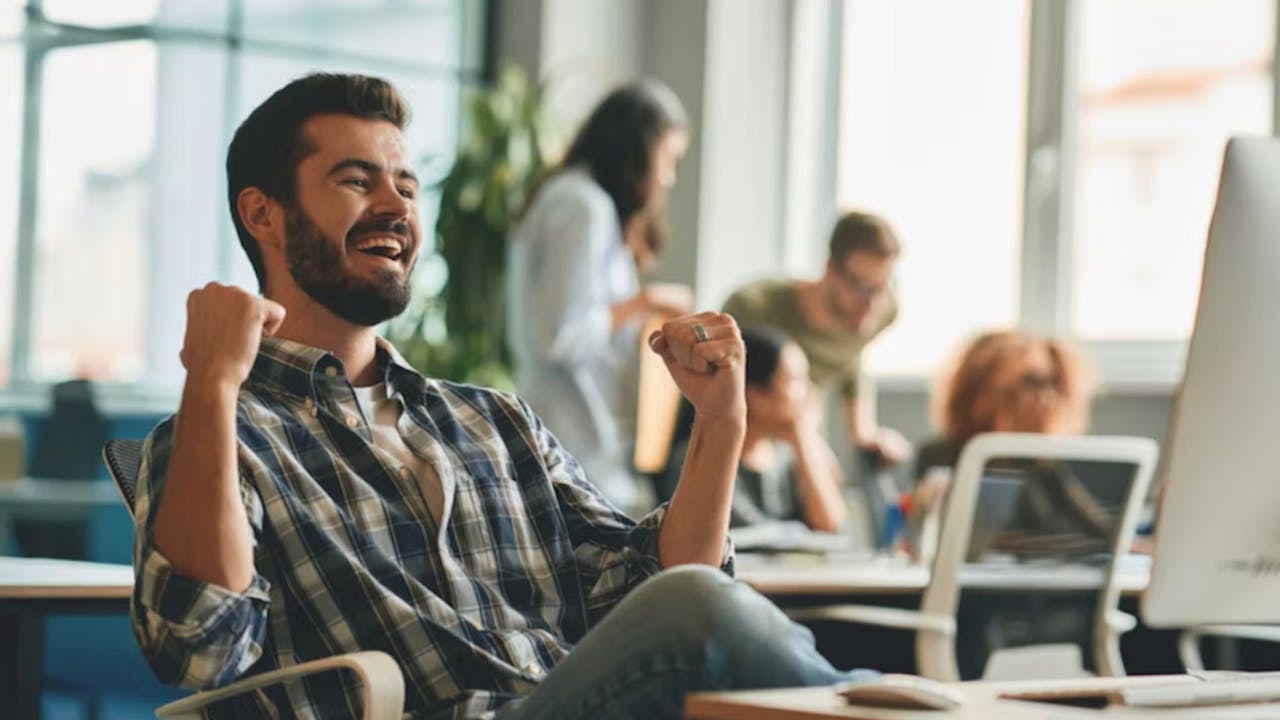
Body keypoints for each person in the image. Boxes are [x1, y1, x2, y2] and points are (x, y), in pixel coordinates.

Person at [130, 73, 871, 720]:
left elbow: (651, 586)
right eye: (357, 182)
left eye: (407, 187)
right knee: (703, 614)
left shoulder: (493, 420)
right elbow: (199, 646)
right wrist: (213, 381)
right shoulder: (225, 433)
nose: (395, 206)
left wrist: (719, 420)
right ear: (263, 214)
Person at [506, 80, 694, 511]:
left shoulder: (582, 201)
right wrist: (643, 303)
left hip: (582, 440)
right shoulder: (582, 205)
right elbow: (560, 335)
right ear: (638, 151)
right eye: (668, 159)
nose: (668, 176)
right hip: (568, 434)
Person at [722, 211, 909, 466]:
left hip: (804, 437)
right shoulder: (754, 308)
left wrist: (863, 430)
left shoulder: (881, 314)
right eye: (861, 287)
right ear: (830, 269)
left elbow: (852, 358)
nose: (872, 305)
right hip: (745, 441)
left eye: (882, 288)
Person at [914, 329, 1109, 555]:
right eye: (1031, 383)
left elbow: (1101, 531)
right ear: (984, 389)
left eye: (1052, 383)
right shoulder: (942, 456)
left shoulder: (1041, 462)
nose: (1046, 398)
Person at [667, 327, 847, 532]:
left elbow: (832, 526)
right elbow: (741, 533)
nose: (810, 392)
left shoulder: (785, 457)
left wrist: (804, 437)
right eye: (797, 380)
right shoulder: (701, 459)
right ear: (754, 395)